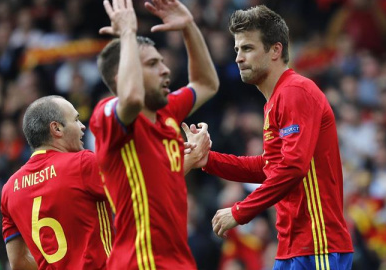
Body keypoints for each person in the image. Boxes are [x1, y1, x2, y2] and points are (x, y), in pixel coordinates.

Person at [186, 5, 354, 270]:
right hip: (292, 247)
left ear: (276, 50)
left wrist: (241, 211)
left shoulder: (295, 91)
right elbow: (270, 167)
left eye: (248, 48)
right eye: (237, 50)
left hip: (318, 245)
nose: (239, 58)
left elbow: (293, 167)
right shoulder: (275, 101)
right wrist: (208, 159)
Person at [90, 0, 219, 268]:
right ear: (121, 75)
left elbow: (207, 83)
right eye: (151, 64)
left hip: (179, 262)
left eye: (162, 61)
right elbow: (132, 98)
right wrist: (127, 32)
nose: (165, 69)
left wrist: (188, 27)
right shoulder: (108, 117)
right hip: (141, 262)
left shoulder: (166, 113)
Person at [0, 95, 113, 270]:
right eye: (76, 120)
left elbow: (18, 263)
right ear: (57, 128)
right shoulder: (83, 163)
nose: (83, 126)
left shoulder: (9, 189)